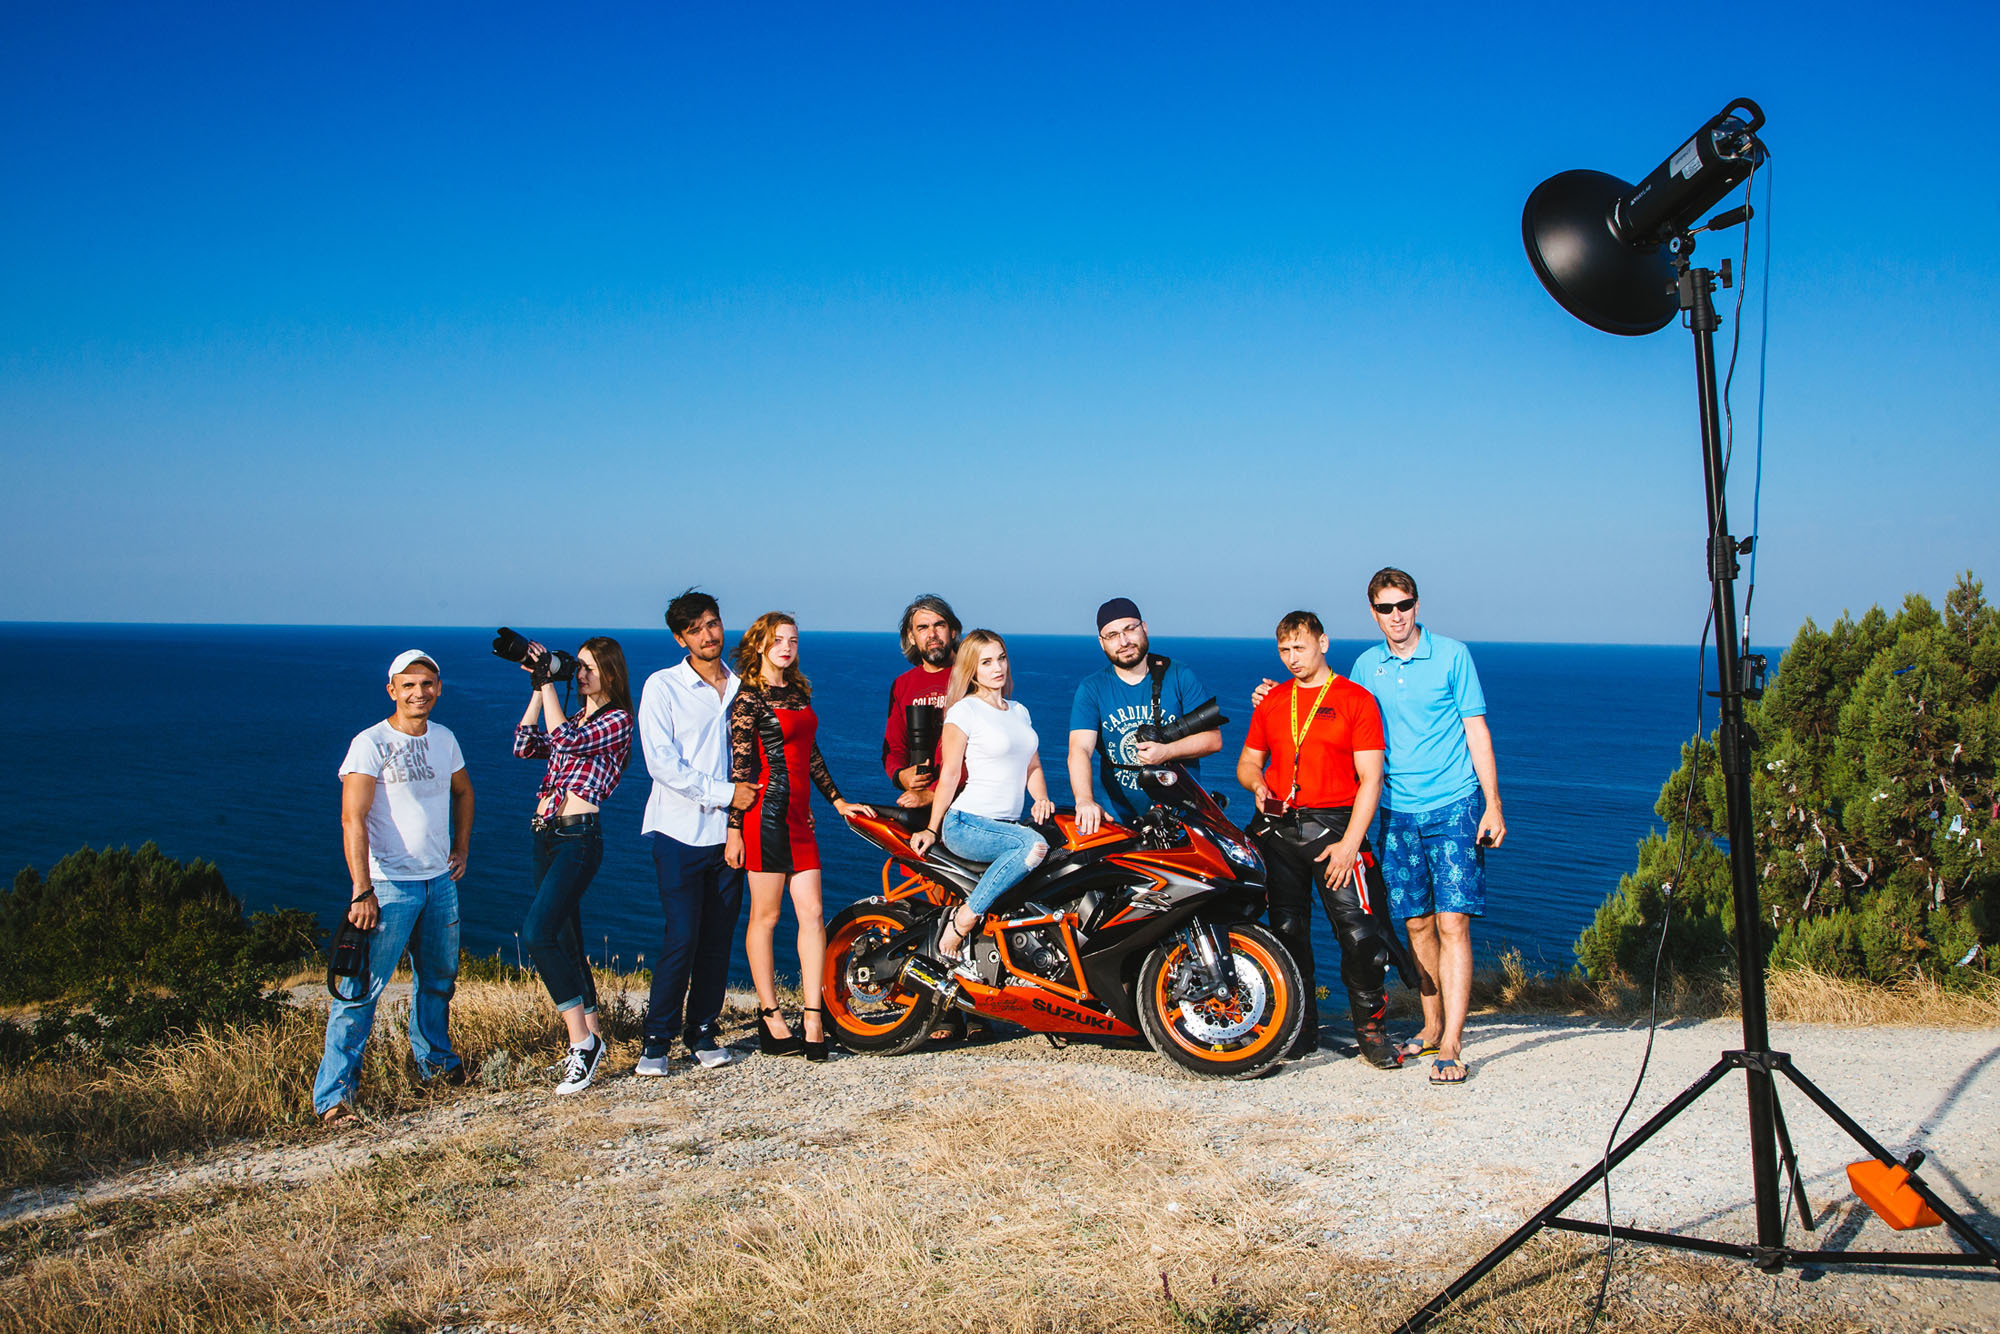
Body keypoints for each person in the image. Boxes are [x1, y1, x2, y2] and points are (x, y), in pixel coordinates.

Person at [1350, 569, 1506, 1086]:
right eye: (1386, 608)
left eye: (1404, 605)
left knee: (1452, 923)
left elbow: (1476, 731)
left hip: (1454, 805)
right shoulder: (1365, 666)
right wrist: (1273, 696)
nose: (1397, 616)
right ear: (1373, 612)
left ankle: (1454, 1043)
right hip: (1395, 811)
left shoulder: (1453, 655)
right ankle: (1432, 1023)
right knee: (1415, 923)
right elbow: (1337, 718)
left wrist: (1493, 804)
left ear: (1417, 605)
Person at [1236, 612, 1406, 1069]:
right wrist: (1257, 786)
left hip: (1336, 829)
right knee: (1287, 933)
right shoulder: (1274, 701)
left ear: (1323, 642)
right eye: (1285, 651)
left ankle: (1372, 1032)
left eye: (1301, 648)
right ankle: (1300, 1029)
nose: (1293, 659)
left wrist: (1351, 844)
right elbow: (1248, 763)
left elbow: (1371, 779)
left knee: (1360, 936)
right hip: (1279, 831)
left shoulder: (1356, 700)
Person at [314, 651, 473, 1126]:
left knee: (438, 983)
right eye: (409, 685)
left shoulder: (444, 739)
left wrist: (461, 849)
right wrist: (361, 890)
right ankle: (334, 1099)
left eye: (427, 684)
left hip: (439, 883)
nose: (418, 693)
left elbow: (464, 792)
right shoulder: (370, 743)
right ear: (392, 690)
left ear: (438, 689)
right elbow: (351, 817)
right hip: (387, 888)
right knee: (357, 991)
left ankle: (437, 1070)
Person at [724, 613, 872, 1062]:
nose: (787, 646)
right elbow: (741, 769)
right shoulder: (748, 699)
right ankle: (770, 1017)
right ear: (760, 644)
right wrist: (734, 829)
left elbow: (812, 754)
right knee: (765, 919)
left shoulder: (798, 692)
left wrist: (838, 801)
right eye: (778, 639)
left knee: (813, 913)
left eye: (792, 639)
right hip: (763, 816)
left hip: (800, 819)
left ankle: (811, 1018)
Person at [636, 590, 759, 1075]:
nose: (708, 635)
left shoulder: (743, 685)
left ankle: (703, 1031)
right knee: (681, 938)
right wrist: (728, 793)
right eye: (695, 629)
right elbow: (661, 764)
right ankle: (655, 1040)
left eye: (713, 623)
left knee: (717, 938)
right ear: (679, 638)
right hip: (680, 831)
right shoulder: (663, 686)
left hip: (733, 835)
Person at [512, 637, 635, 1095]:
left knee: (537, 934)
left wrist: (548, 684)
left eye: (589, 667)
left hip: (579, 836)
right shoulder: (577, 715)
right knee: (566, 940)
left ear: (611, 672)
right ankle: (596, 1039)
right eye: (576, 667)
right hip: (545, 833)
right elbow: (525, 746)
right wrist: (536, 685)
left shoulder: (617, 720)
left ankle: (580, 1044)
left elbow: (566, 740)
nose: (580, 674)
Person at [911, 630, 1056, 969]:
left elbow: (1032, 765)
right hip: (966, 823)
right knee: (1034, 847)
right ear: (971, 669)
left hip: (1005, 826)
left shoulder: (1019, 711)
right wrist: (933, 829)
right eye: (986, 662)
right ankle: (963, 921)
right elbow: (949, 775)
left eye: (1001, 658)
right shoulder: (965, 711)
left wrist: (1042, 798)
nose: (997, 668)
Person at [1068, 597, 1222, 835]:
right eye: (1112, 635)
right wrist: (1084, 800)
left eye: (1130, 629)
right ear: (1102, 642)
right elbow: (1080, 749)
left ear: (1144, 628)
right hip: (1117, 819)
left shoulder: (1179, 675)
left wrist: (1167, 752)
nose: (1123, 641)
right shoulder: (1092, 688)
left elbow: (1213, 739)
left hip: (1179, 818)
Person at [883, 594, 962, 809]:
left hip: (966, 803)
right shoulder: (903, 684)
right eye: (923, 628)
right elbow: (894, 747)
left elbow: (985, 751)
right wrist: (902, 776)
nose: (932, 634)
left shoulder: (973, 676)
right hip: (919, 803)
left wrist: (933, 793)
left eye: (939, 625)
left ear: (953, 631)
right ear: (911, 637)